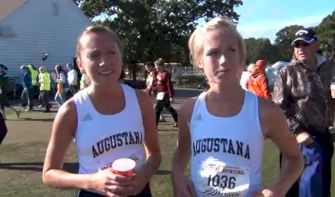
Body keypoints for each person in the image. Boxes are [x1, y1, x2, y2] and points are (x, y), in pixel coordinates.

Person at [171, 16, 303, 197]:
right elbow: (181, 153)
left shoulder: (265, 111)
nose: (224, 60)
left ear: (241, 57)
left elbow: (295, 158)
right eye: (213, 53)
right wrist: (177, 177)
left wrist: (279, 188)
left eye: (231, 50)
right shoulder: (190, 109)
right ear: (200, 61)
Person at [42, 25, 161, 197]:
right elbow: (49, 173)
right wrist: (93, 181)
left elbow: (155, 154)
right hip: (93, 193)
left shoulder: (140, 100)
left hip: (139, 191)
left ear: (121, 57)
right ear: (80, 63)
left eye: (111, 52)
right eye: (94, 55)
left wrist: (143, 176)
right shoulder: (71, 110)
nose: (104, 62)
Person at [272, 28, 335, 197]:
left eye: (305, 44)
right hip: (296, 138)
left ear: (316, 45)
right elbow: (279, 108)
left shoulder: (330, 68)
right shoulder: (286, 72)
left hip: (323, 135)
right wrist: (298, 131)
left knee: (321, 185)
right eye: (297, 45)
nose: (300, 48)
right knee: (294, 187)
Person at [153, 58, 178, 126]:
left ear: (161, 66)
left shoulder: (166, 74)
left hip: (164, 94)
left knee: (157, 109)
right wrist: (154, 89)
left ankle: (155, 126)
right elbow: (158, 84)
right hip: (160, 94)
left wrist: (171, 96)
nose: (155, 67)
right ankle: (178, 121)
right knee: (169, 108)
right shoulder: (158, 73)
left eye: (156, 66)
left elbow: (169, 85)